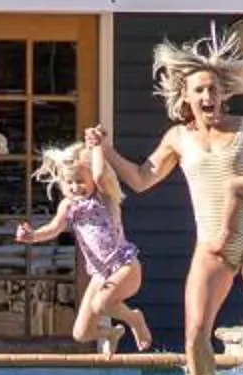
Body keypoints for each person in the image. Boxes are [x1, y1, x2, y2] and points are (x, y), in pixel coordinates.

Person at [89, 29, 243, 375]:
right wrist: (105, 151)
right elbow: (140, 179)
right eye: (199, 90)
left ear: (223, 93)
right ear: (185, 96)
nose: (208, 97)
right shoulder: (177, 138)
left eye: (214, 89)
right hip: (211, 244)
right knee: (195, 333)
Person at [14, 141, 151, 355]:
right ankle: (111, 333)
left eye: (80, 181)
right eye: (69, 183)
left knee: (101, 304)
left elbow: (98, 174)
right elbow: (53, 228)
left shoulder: (105, 196)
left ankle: (135, 319)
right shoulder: (68, 206)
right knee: (82, 333)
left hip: (124, 266)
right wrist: (32, 236)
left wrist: (96, 147)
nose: (75, 187)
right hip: (100, 275)